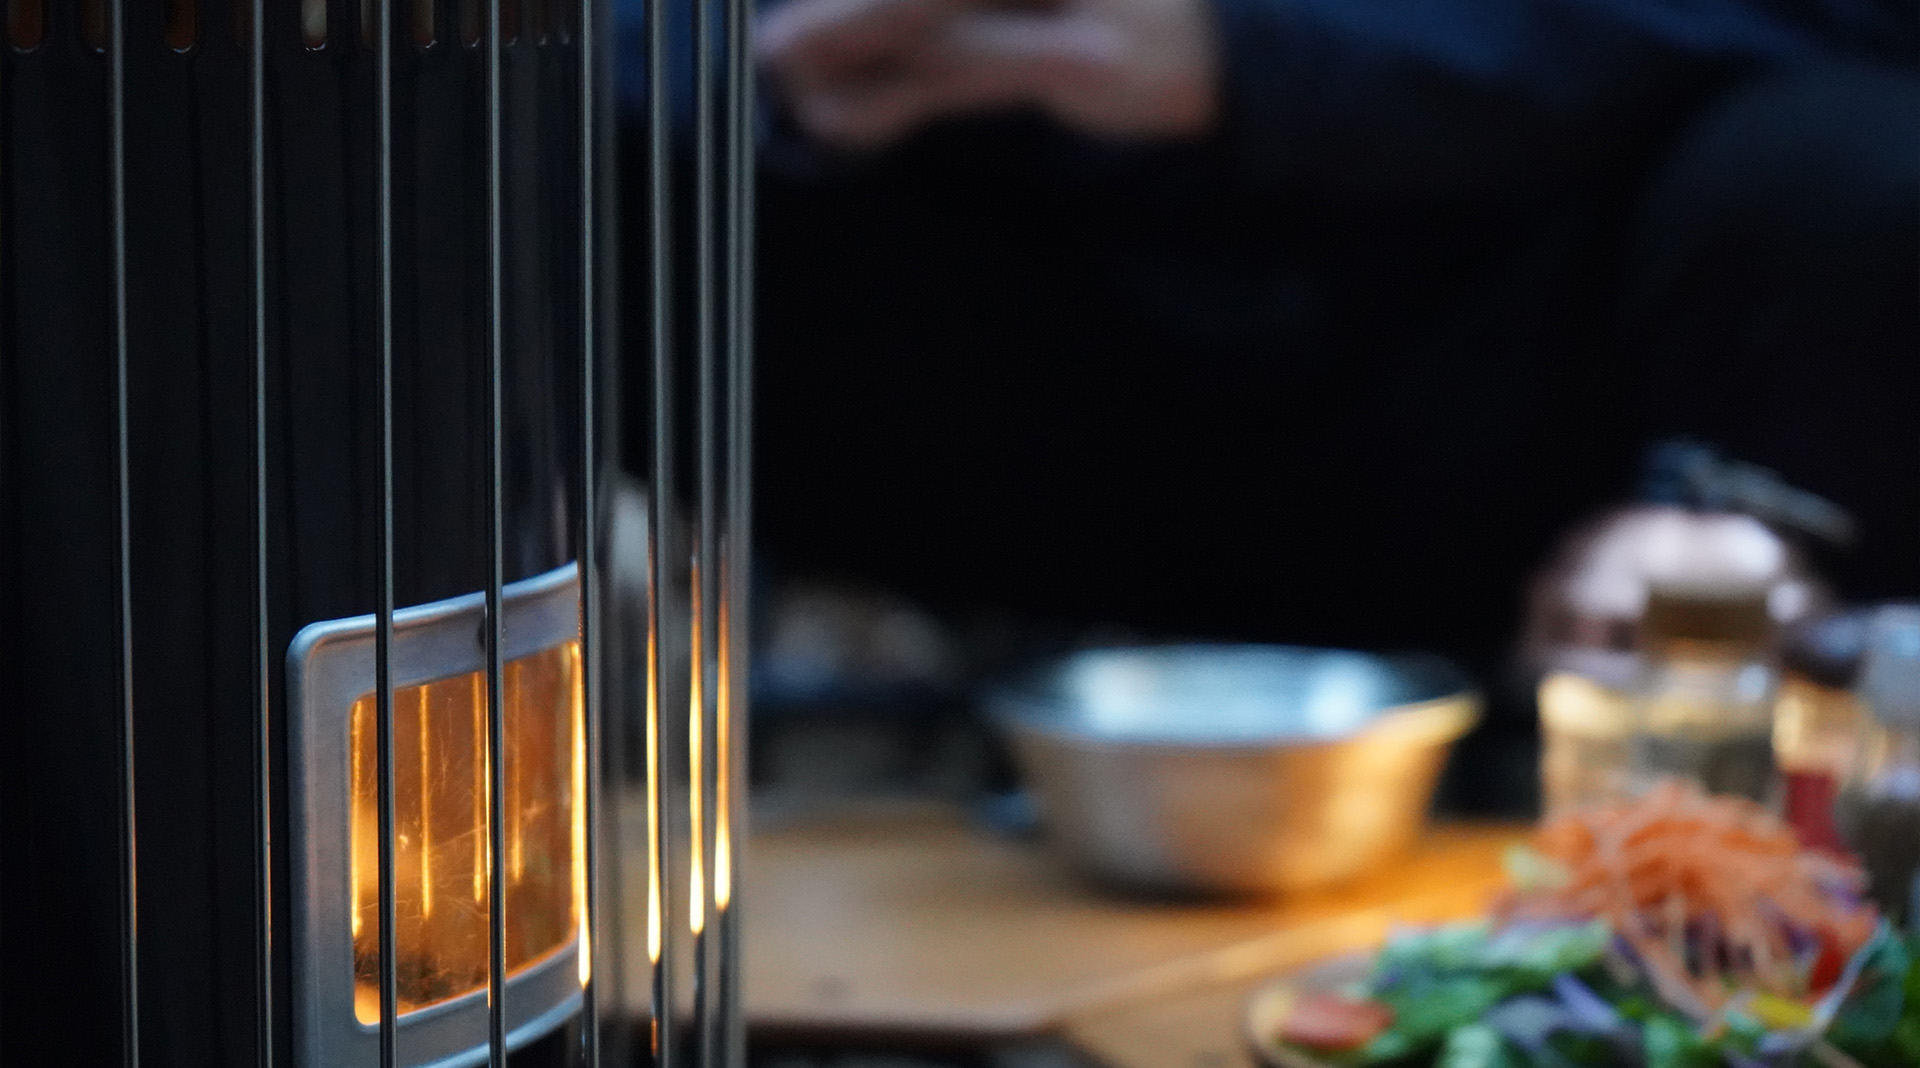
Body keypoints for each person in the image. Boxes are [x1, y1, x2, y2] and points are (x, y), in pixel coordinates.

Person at [622, 0, 1919, 672]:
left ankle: (1741, 695)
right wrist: (800, 63)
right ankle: (516, 1050)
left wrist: (1256, 49)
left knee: (1852, 166)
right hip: (1005, 363)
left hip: (1540, 386)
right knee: (528, 145)